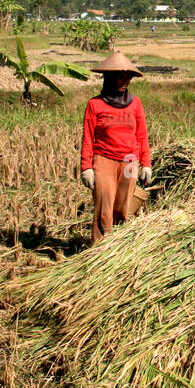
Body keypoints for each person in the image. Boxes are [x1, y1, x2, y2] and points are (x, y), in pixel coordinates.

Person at [80, 52, 153, 244]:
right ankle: (98, 248)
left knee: (123, 207)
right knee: (104, 208)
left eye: (128, 77)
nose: (125, 81)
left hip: (129, 161)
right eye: (121, 76)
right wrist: (86, 167)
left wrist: (146, 164)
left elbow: (142, 136)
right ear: (109, 77)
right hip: (104, 160)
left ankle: (118, 247)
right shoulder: (95, 104)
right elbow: (87, 137)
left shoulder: (135, 103)